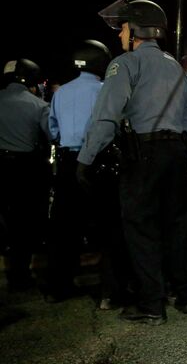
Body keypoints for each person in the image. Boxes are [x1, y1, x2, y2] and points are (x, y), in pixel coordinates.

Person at [76, 0, 187, 325]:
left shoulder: (125, 64)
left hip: (143, 154)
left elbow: (106, 117)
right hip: (176, 154)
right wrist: (181, 149)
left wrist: (85, 159)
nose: (119, 36)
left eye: (123, 28)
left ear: (136, 30)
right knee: (177, 225)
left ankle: (152, 305)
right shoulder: (175, 66)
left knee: (140, 229)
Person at [45, 39, 113, 303]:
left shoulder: (61, 92)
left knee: (63, 227)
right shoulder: (105, 90)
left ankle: (57, 288)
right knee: (107, 226)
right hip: (96, 163)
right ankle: (108, 291)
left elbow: (53, 130)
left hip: (66, 162)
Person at [0, 58, 50, 292]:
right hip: (25, 168)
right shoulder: (38, 106)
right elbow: (51, 136)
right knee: (24, 221)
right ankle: (20, 275)